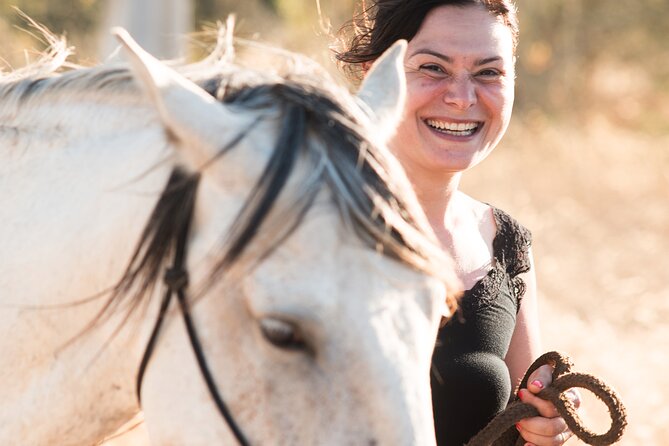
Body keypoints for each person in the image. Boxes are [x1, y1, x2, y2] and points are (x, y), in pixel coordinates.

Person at [336, 1, 578, 445]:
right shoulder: (306, 225)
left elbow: (524, 419)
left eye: (489, 72)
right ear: (376, 74)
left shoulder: (504, 242)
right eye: (433, 67)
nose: (462, 97)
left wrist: (544, 426)